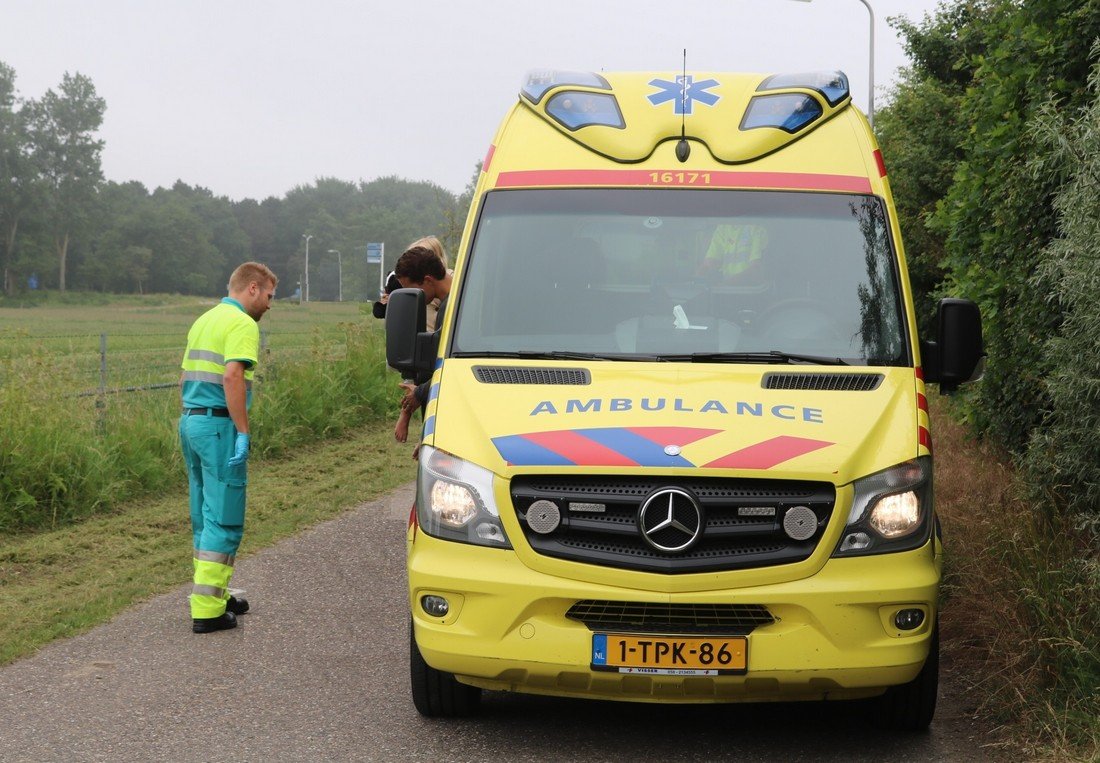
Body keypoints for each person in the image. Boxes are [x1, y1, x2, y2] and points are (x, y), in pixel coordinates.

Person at [179, 262, 277, 634]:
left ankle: (214, 592)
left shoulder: (205, 320)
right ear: (252, 288)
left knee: (204, 514)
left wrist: (190, 421)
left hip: (192, 421)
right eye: (269, 295)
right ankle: (207, 610)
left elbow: (183, 376)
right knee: (224, 516)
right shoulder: (242, 324)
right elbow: (233, 375)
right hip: (219, 426)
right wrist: (242, 431)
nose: (270, 304)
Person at [392, 245, 454, 453]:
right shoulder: (457, 300)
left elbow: (454, 369)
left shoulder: (452, 309)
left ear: (428, 280)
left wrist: (420, 392)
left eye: (413, 289)